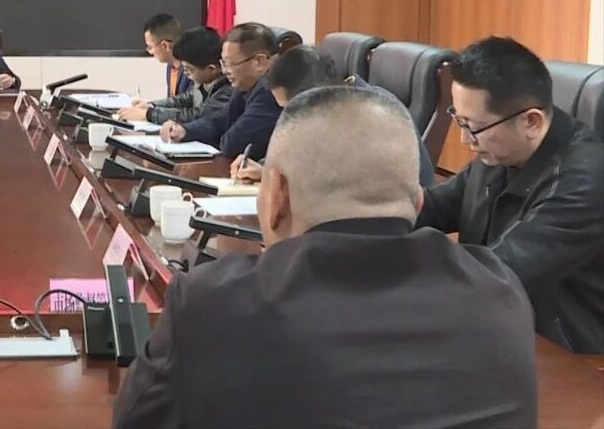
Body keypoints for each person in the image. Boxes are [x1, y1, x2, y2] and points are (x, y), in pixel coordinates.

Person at [114, 86, 537, 429]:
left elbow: (134, 420)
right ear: (418, 200)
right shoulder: (497, 290)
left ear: (276, 196)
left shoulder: (212, 302)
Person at [417, 36, 604, 353]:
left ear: (531, 122)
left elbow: (500, 270)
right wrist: (370, 211)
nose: (465, 140)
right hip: (502, 324)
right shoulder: (499, 152)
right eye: (459, 120)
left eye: (473, 126)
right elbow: (434, 206)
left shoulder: (585, 183)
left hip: (568, 353)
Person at [230, 45, 435, 190]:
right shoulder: (331, 106)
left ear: (314, 95)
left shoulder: (374, 114)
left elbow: (337, 184)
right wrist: (265, 169)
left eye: (290, 108)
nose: (288, 115)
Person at [160, 22, 281, 161]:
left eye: (230, 64)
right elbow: (219, 120)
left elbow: (232, 145)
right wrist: (185, 130)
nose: (225, 71)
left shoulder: (271, 90)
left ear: (259, 61)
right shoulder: (245, 85)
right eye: (224, 63)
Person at [122, 26, 230, 125]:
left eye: (189, 70)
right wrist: (151, 105)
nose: (185, 73)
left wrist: (149, 114)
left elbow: (195, 115)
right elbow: (184, 99)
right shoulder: (204, 80)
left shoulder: (227, 90)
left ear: (211, 69)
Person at [118, 14, 190, 121]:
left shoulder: (193, 69)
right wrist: (150, 105)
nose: (150, 52)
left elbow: (189, 112)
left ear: (165, 45)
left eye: (150, 47)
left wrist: (147, 114)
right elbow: (175, 103)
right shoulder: (170, 67)